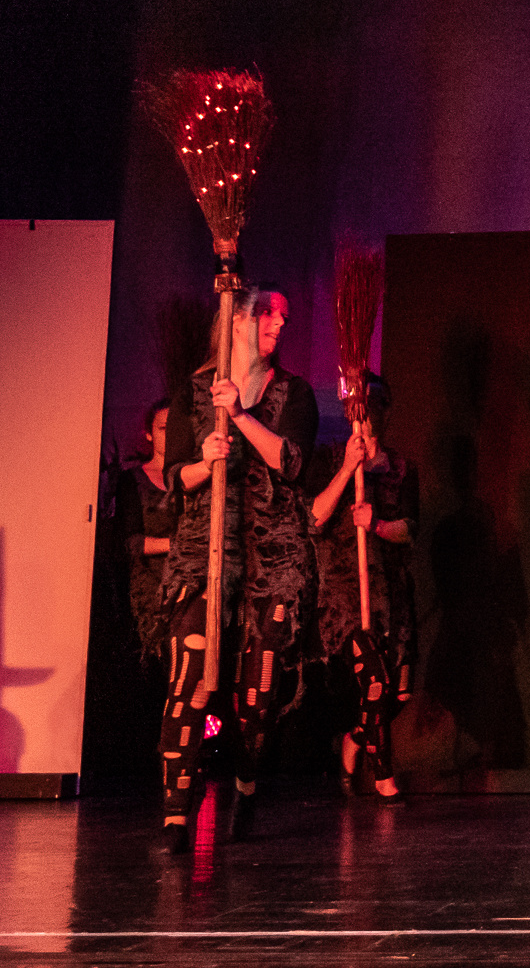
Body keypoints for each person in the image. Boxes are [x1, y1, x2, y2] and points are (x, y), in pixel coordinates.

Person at [156, 285, 317, 850]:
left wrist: (241, 416)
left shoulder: (294, 392)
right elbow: (174, 477)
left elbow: (291, 462)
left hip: (272, 558)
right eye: (267, 313)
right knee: (189, 681)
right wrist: (205, 462)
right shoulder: (193, 391)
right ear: (239, 320)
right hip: (205, 552)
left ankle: (247, 779)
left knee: (257, 697)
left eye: (284, 316)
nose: (279, 323)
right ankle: (176, 813)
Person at [309, 374, 417, 802]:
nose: (370, 414)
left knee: (398, 692)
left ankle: (355, 737)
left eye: (377, 405)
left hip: (391, 592)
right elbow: (315, 517)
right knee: (375, 680)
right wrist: (347, 469)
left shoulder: (400, 468)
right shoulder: (330, 458)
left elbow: (411, 528)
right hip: (346, 593)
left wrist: (377, 525)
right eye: (362, 406)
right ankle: (383, 777)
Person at [116, 399, 177, 660]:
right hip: (150, 588)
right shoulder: (132, 480)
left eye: (176, 427)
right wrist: (179, 545)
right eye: (163, 428)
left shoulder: (193, 476)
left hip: (188, 588)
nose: (171, 434)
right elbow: (131, 543)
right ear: (149, 434)